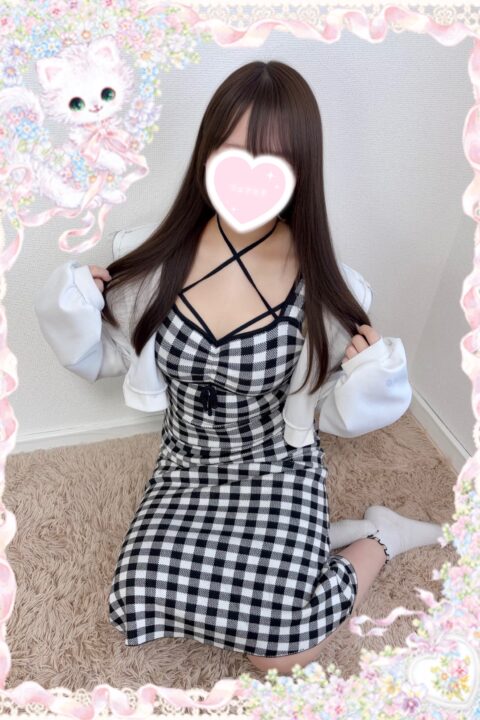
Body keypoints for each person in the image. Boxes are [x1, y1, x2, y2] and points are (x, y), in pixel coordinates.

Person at [34, 60, 442, 676]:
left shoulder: (326, 287)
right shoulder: (151, 261)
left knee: (283, 649)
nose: (248, 176)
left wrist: (371, 378)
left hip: (276, 464)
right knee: (139, 593)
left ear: (300, 169)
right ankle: (309, 548)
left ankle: (379, 539)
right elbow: (110, 358)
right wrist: (76, 308)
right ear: (207, 154)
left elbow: (333, 414)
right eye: (232, 152)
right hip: (187, 464)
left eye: (272, 160)